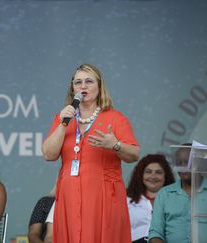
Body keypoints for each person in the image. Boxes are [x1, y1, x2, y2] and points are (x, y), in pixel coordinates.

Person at [42, 63, 140, 243]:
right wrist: (64, 123)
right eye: (78, 82)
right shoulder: (63, 117)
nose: (83, 86)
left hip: (103, 195)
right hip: (69, 195)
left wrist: (115, 145)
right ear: (72, 88)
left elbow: (134, 154)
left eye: (89, 81)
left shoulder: (115, 118)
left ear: (100, 86)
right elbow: (48, 154)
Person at [148, 143, 206, 243]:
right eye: (179, 163)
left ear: (199, 163)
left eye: (188, 162)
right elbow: (156, 233)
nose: (183, 167)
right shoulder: (164, 194)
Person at [126, 154, 175, 243]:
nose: (153, 176)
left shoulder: (175, 199)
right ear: (140, 175)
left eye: (158, 172)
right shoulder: (126, 199)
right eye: (148, 172)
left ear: (165, 176)